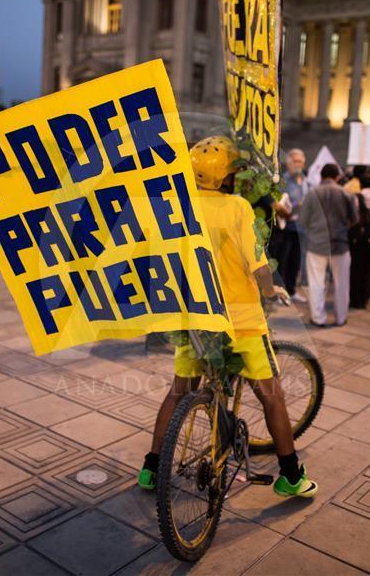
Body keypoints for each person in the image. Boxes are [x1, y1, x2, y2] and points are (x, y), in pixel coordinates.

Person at [138, 136, 318, 499]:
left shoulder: (180, 206)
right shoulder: (237, 207)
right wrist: (272, 290)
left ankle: (151, 469)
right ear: (225, 177)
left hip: (194, 318)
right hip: (241, 319)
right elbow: (257, 265)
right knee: (272, 396)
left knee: (178, 392)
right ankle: (290, 476)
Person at [300, 163, 358, 326]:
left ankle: (318, 318)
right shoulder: (346, 193)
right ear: (338, 176)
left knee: (316, 282)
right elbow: (355, 219)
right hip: (340, 244)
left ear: (321, 176)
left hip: (316, 244)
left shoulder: (312, 193)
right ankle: (341, 317)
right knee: (342, 284)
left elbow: (303, 221)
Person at [273, 149, 308, 300]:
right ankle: (280, 293)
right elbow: (278, 202)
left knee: (295, 261)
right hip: (285, 227)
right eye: (295, 161)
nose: (298, 164)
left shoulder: (305, 181)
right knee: (283, 261)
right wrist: (296, 205)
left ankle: (292, 291)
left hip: (301, 228)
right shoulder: (283, 181)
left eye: (300, 161)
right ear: (288, 163)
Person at [350, 171, 370, 309]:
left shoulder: (357, 198)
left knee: (355, 270)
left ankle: (355, 299)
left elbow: (353, 218)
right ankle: (364, 299)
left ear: (360, 183)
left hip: (358, 240)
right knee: (367, 271)